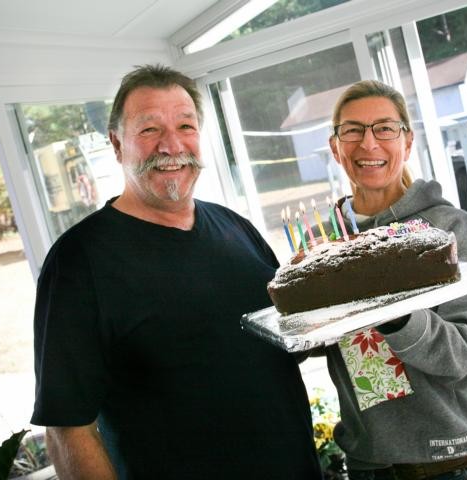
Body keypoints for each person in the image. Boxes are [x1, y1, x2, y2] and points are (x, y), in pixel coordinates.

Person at [31, 64, 322, 480]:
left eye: (185, 125)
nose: (172, 145)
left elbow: (284, 340)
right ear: (117, 144)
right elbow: (67, 429)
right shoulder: (78, 261)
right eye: (149, 130)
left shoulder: (234, 227)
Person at [324, 80, 467, 480]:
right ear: (335, 147)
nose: (368, 143)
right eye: (353, 130)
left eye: (385, 128)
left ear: (407, 142)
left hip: (457, 464)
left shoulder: (450, 230)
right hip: (371, 465)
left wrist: (397, 317)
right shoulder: (325, 244)